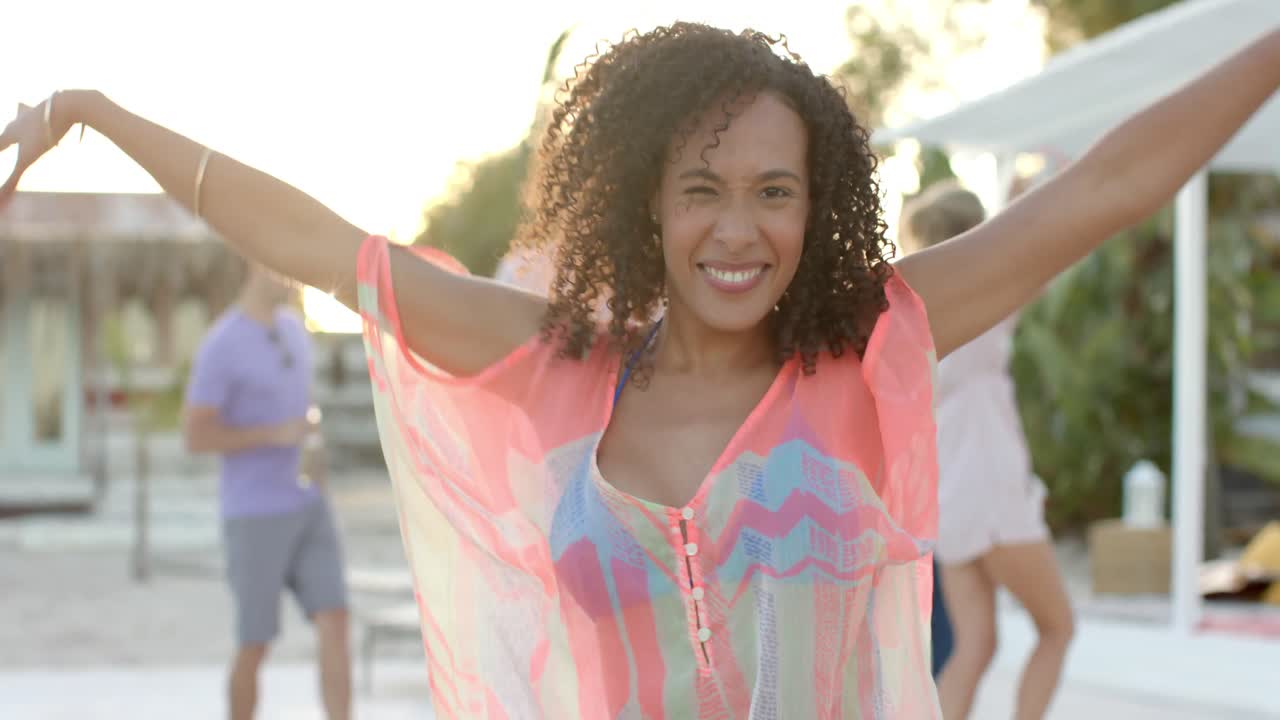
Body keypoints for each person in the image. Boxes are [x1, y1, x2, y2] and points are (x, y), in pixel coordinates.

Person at [3, 22, 1277, 718]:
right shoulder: (553, 367)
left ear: (817, 205)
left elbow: (1106, 188)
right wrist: (102, 112)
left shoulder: (863, 349)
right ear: (643, 206)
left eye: (774, 192)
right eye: (701, 192)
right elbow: (332, 252)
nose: (738, 229)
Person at [901, 181, 1073, 720]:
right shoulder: (988, 304)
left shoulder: (916, 318)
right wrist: (1024, 204)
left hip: (949, 499)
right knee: (1058, 627)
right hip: (993, 493)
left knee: (975, 646)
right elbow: (1044, 248)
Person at [182, 263, 351, 720]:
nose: (296, 276)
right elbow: (195, 437)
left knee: (335, 619)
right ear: (257, 266)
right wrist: (272, 433)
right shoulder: (222, 343)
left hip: (310, 503)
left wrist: (313, 454)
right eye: (285, 266)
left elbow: (303, 410)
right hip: (254, 514)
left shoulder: (297, 331)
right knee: (255, 643)